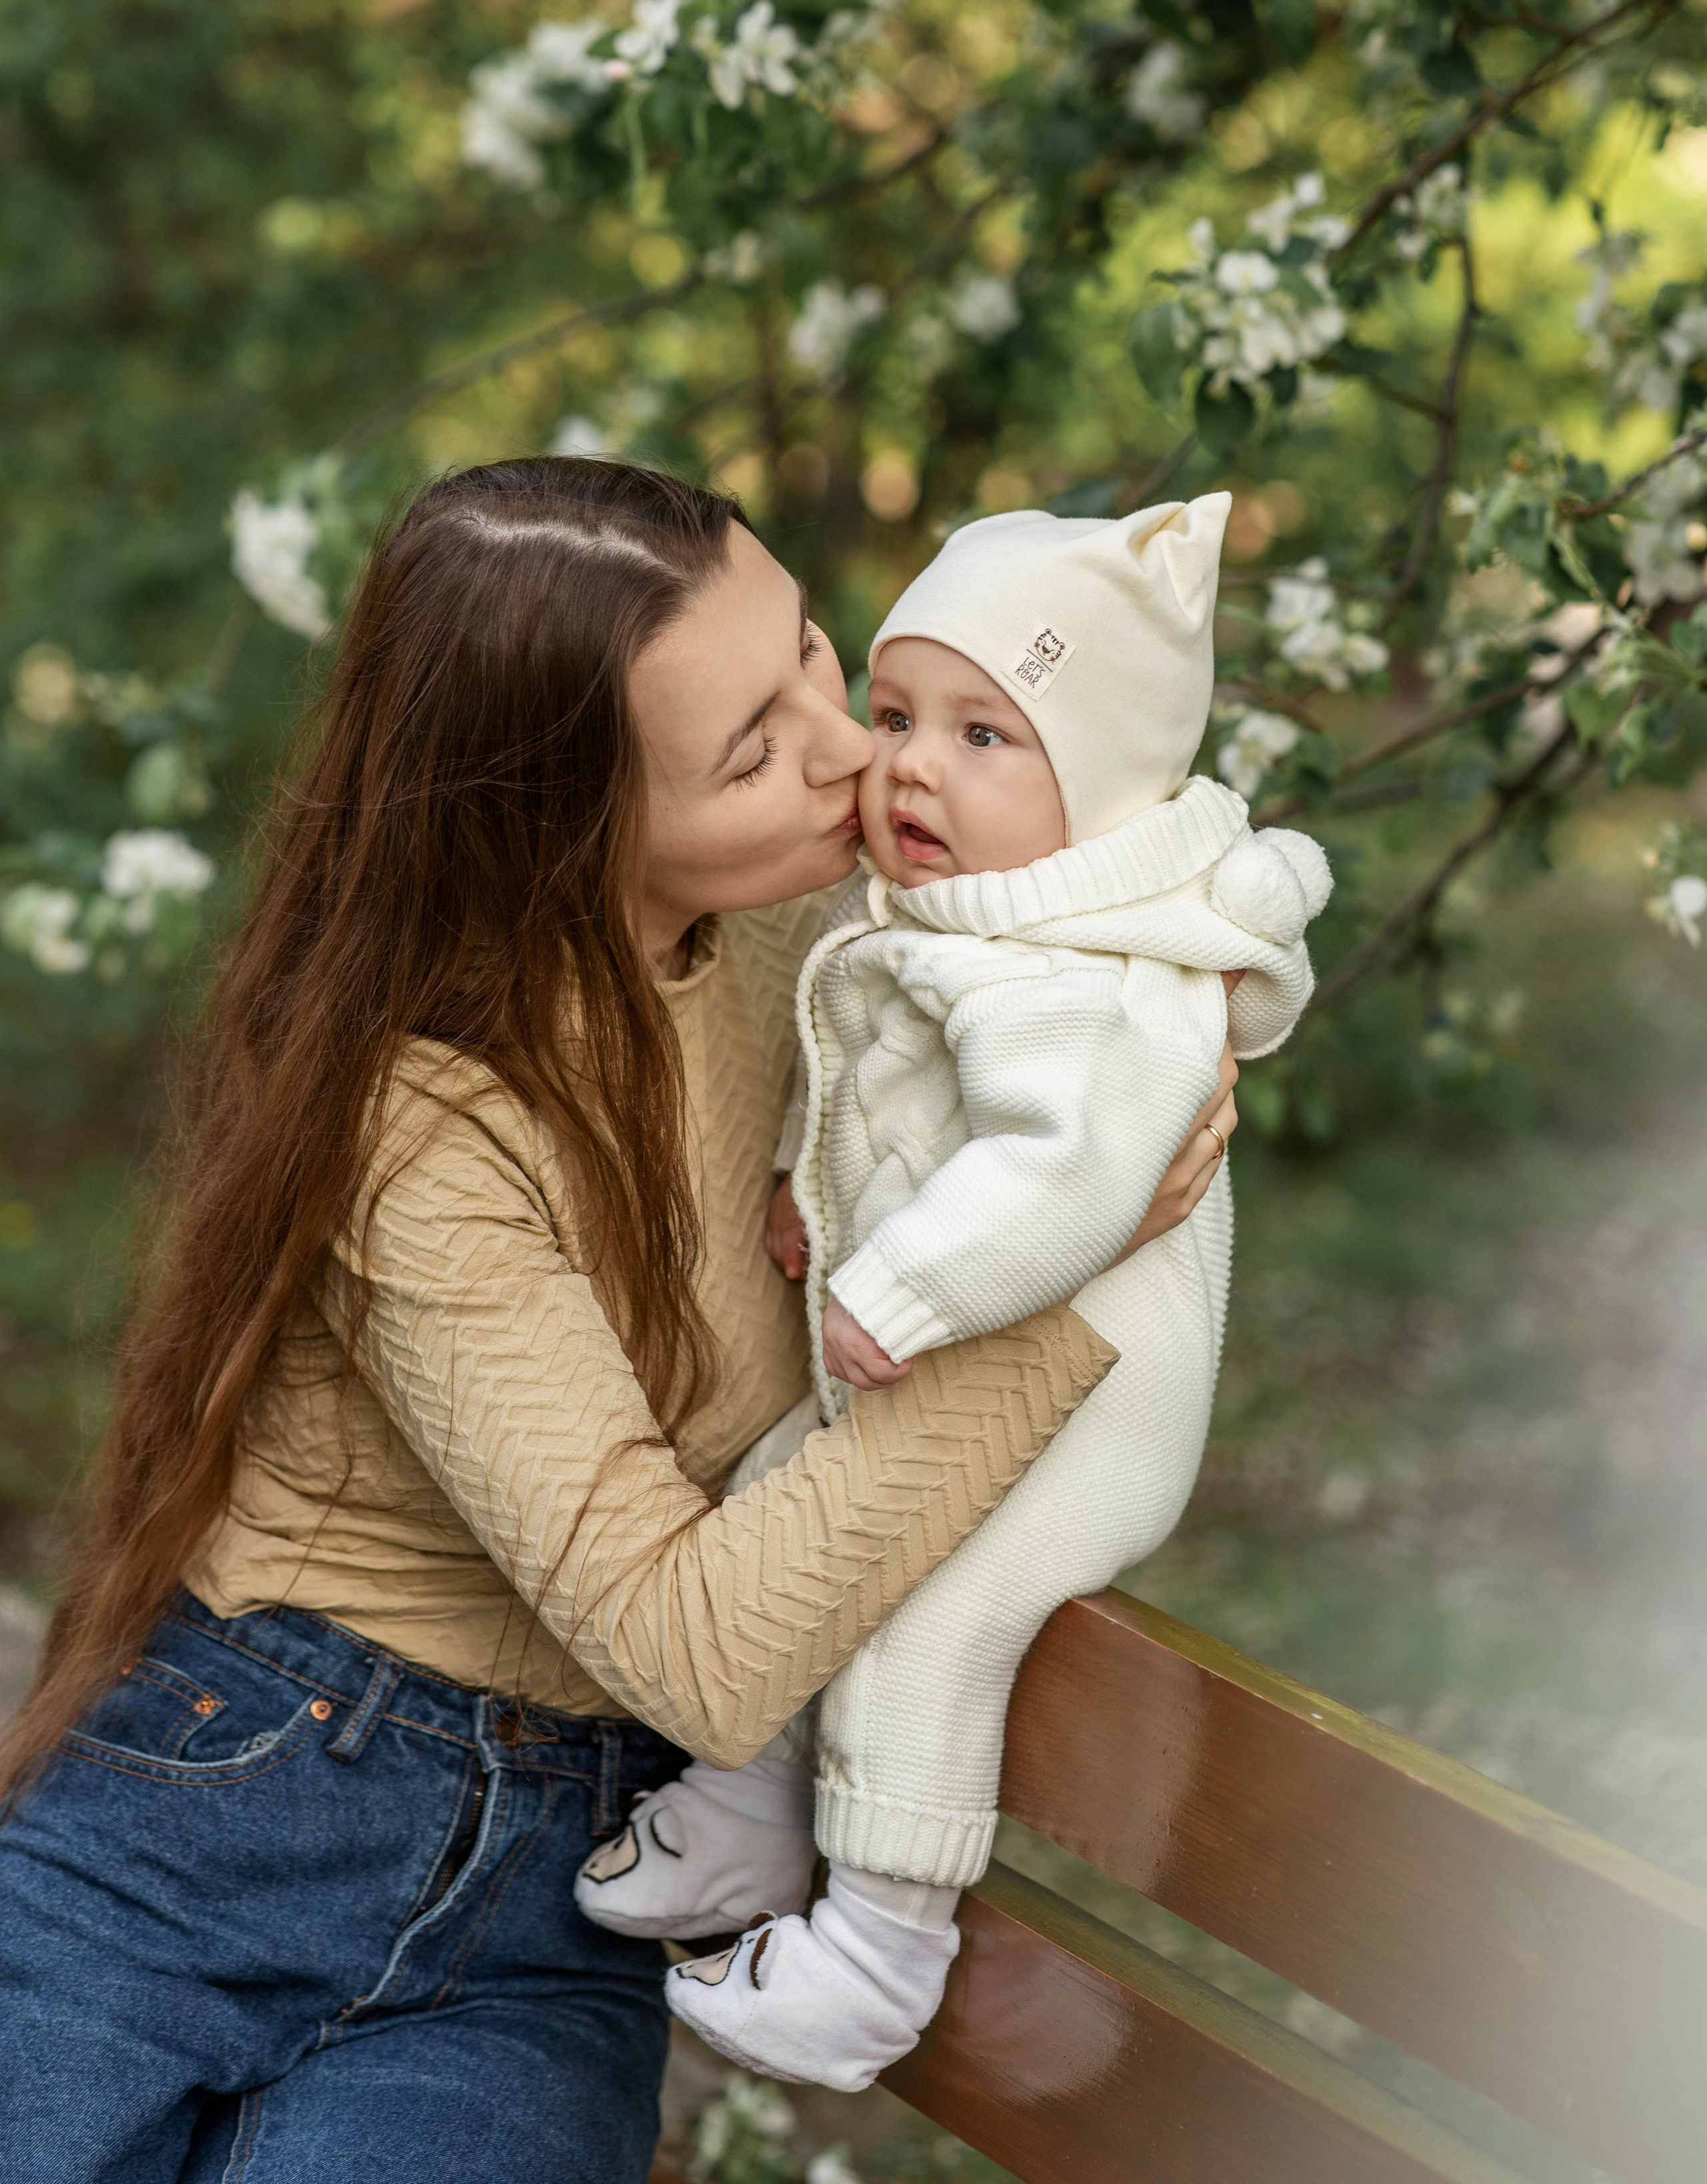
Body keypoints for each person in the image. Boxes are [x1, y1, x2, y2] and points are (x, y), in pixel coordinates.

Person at [0, 459, 1237, 2183]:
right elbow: (695, 1645)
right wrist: (1072, 1291)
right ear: (559, 824)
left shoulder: (835, 943)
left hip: (560, 1895)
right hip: (239, 1804)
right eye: (752, 751)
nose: (850, 748)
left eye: (811, 652)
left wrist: (1115, 1131)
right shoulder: (420, 1117)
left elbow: (1116, 910)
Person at [576, 494, 1329, 2090]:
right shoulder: (974, 913)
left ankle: (875, 1959)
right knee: (775, 1500)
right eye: (901, 712)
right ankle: (752, 1814)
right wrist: (808, 1187)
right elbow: (873, 1074)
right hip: (952, 1377)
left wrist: (902, 1290)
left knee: (926, 1625)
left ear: (1102, 779)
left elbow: (1065, 1177)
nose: (909, 766)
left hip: (1087, 1405)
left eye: (983, 734)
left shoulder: (1101, 986)